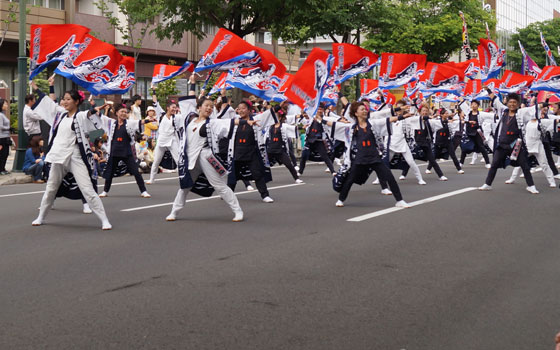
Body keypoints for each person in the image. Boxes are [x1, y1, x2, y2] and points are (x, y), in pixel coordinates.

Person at [31, 88, 112, 230]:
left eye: (69, 99)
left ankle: (104, 220)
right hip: (58, 154)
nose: (65, 101)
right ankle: (41, 217)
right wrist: (37, 88)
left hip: (75, 155)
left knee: (87, 189)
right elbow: (49, 104)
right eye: (64, 98)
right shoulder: (60, 115)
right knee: (51, 188)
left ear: (76, 101)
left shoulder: (79, 116)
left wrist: (94, 110)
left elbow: (88, 115)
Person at [166, 96, 245, 222]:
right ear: (199, 108)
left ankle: (238, 211)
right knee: (184, 186)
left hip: (205, 157)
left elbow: (229, 123)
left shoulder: (211, 123)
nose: (209, 108)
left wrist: (245, 122)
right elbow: (188, 103)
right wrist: (192, 83)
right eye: (206, 105)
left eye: (211, 106)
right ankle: (174, 212)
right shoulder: (189, 121)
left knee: (219, 185)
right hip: (191, 159)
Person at [329, 101, 410, 208]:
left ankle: (399, 200)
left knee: (389, 177)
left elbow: (387, 120)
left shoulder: (373, 124)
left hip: (374, 158)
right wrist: (321, 121)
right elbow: (335, 125)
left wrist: (402, 117)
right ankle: (341, 199)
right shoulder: (352, 127)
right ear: (356, 113)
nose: (365, 111)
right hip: (359, 159)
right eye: (362, 109)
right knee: (350, 180)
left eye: (365, 109)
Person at [479, 92, 540, 194]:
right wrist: (489, 90)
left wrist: (540, 100)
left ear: (517, 104)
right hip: (502, 144)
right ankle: (487, 184)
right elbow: (496, 100)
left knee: (524, 165)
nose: (512, 104)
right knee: (494, 164)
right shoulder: (503, 111)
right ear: (507, 103)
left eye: (514, 102)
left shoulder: (520, 113)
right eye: (510, 102)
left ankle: (531, 186)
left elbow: (532, 109)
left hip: (515, 144)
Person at [98, 104, 153, 198]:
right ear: (116, 113)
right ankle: (105, 191)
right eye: (122, 112)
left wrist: (149, 120)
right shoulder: (112, 123)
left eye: (125, 112)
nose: (124, 113)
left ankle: (143, 191)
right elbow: (101, 117)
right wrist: (100, 108)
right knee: (110, 172)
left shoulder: (129, 123)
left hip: (126, 151)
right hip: (114, 151)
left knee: (135, 171)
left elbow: (139, 122)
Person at [227, 100, 277, 203]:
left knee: (257, 174)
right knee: (233, 175)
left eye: (243, 108)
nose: (241, 110)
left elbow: (270, 113)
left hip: (251, 152)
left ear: (249, 110)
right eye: (239, 108)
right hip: (237, 153)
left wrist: (279, 105)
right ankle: (228, 194)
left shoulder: (257, 120)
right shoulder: (235, 121)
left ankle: (265, 195)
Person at [298, 103, 336, 175]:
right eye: (318, 109)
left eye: (321, 109)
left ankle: (333, 171)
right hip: (309, 139)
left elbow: (331, 123)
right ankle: (300, 171)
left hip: (319, 140)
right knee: (304, 155)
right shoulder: (311, 117)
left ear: (323, 110)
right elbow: (305, 121)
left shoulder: (325, 119)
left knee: (325, 156)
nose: (319, 110)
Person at [457, 99, 492, 168]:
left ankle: (487, 162)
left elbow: (490, 116)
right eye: (472, 104)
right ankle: (461, 162)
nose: (473, 105)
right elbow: (463, 104)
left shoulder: (481, 114)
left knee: (481, 147)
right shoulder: (468, 112)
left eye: (475, 104)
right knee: (465, 148)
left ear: (478, 106)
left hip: (477, 132)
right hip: (469, 132)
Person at [0, 98, 11, 175]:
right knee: (3, 154)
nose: (7, 105)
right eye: (5, 104)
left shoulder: (3, 114)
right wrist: (9, 128)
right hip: (2, 137)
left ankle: (3, 168)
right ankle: (1, 169)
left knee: (5, 153)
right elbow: (0, 126)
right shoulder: (0, 115)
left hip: (5, 136)